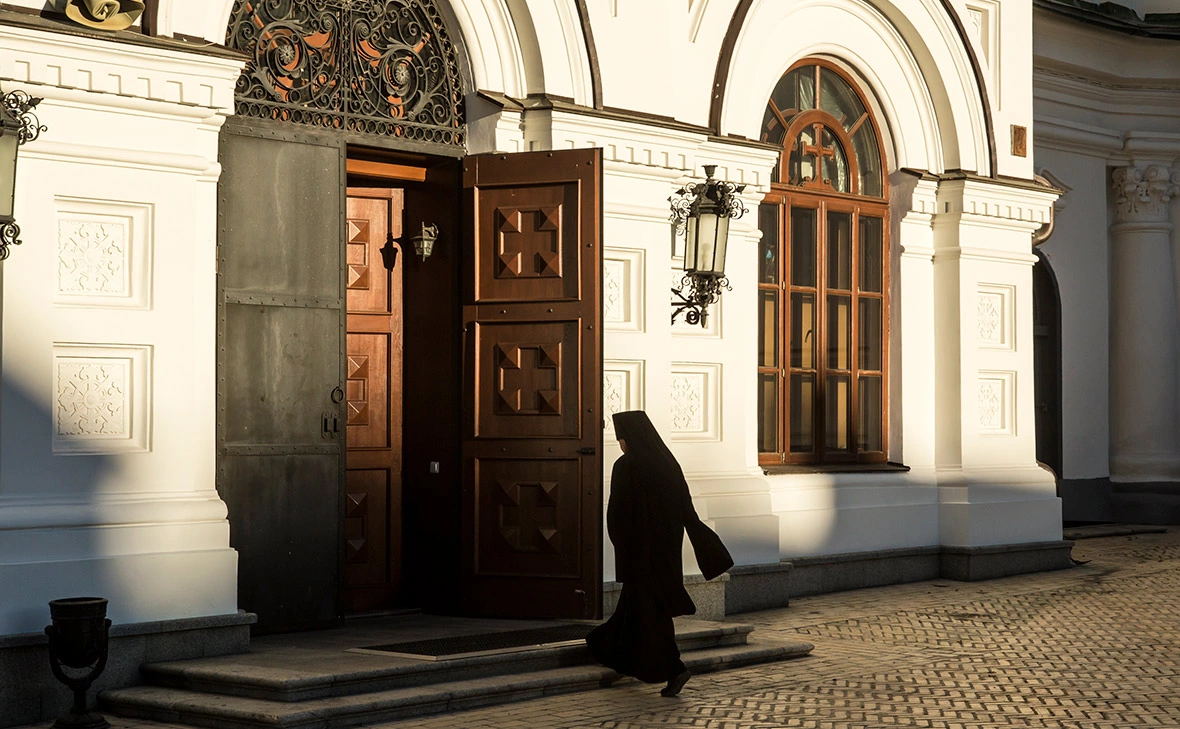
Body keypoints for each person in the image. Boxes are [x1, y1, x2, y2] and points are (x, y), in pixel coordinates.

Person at [586, 410, 734, 697]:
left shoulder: (626, 465)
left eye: (621, 439)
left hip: (639, 553)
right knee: (637, 609)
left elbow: (617, 513)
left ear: (629, 438)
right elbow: (685, 507)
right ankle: (619, 657)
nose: (621, 445)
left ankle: (674, 668)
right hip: (666, 551)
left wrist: (621, 547)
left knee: (650, 613)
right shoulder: (668, 463)